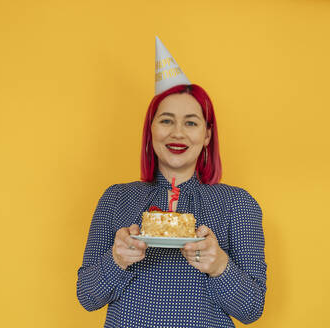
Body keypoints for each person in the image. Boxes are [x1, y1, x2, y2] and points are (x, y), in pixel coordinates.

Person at [77, 37, 267, 328]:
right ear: (150, 130)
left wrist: (219, 266)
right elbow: (87, 297)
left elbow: (252, 309)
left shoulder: (237, 203)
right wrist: (116, 259)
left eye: (191, 122)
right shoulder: (115, 199)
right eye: (166, 121)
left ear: (206, 135)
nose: (177, 133)